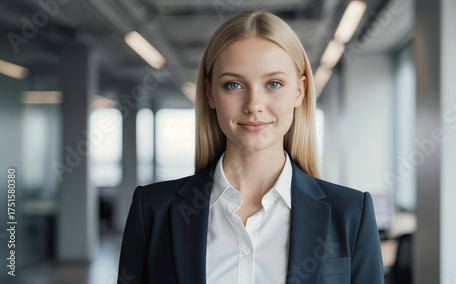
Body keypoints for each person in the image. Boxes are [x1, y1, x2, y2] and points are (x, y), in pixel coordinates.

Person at [118, 10, 383, 284]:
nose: (253, 105)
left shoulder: (352, 213)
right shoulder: (153, 210)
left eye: (273, 84)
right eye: (233, 85)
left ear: (299, 91)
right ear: (210, 93)